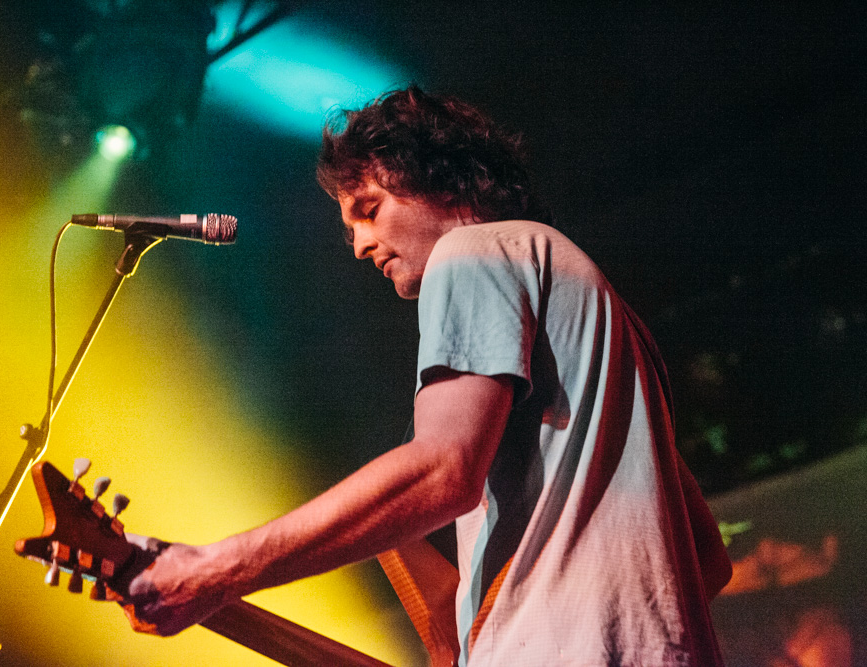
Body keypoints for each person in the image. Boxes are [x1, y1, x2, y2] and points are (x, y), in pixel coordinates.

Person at [125, 86, 733, 665]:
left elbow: (445, 470)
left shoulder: (472, 253)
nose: (360, 245)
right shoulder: (607, 317)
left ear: (443, 182)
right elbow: (706, 556)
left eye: (370, 210)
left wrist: (217, 568)